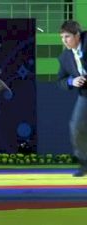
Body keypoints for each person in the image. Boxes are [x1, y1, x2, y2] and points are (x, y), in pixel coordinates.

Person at [57, 20, 87, 177]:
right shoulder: (64, 57)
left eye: (67, 36)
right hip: (85, 95)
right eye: (62, 37)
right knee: (76, 127)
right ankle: (84, 164)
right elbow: (61, 81)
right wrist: (72, 81)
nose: (64, 40)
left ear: (78, 36)